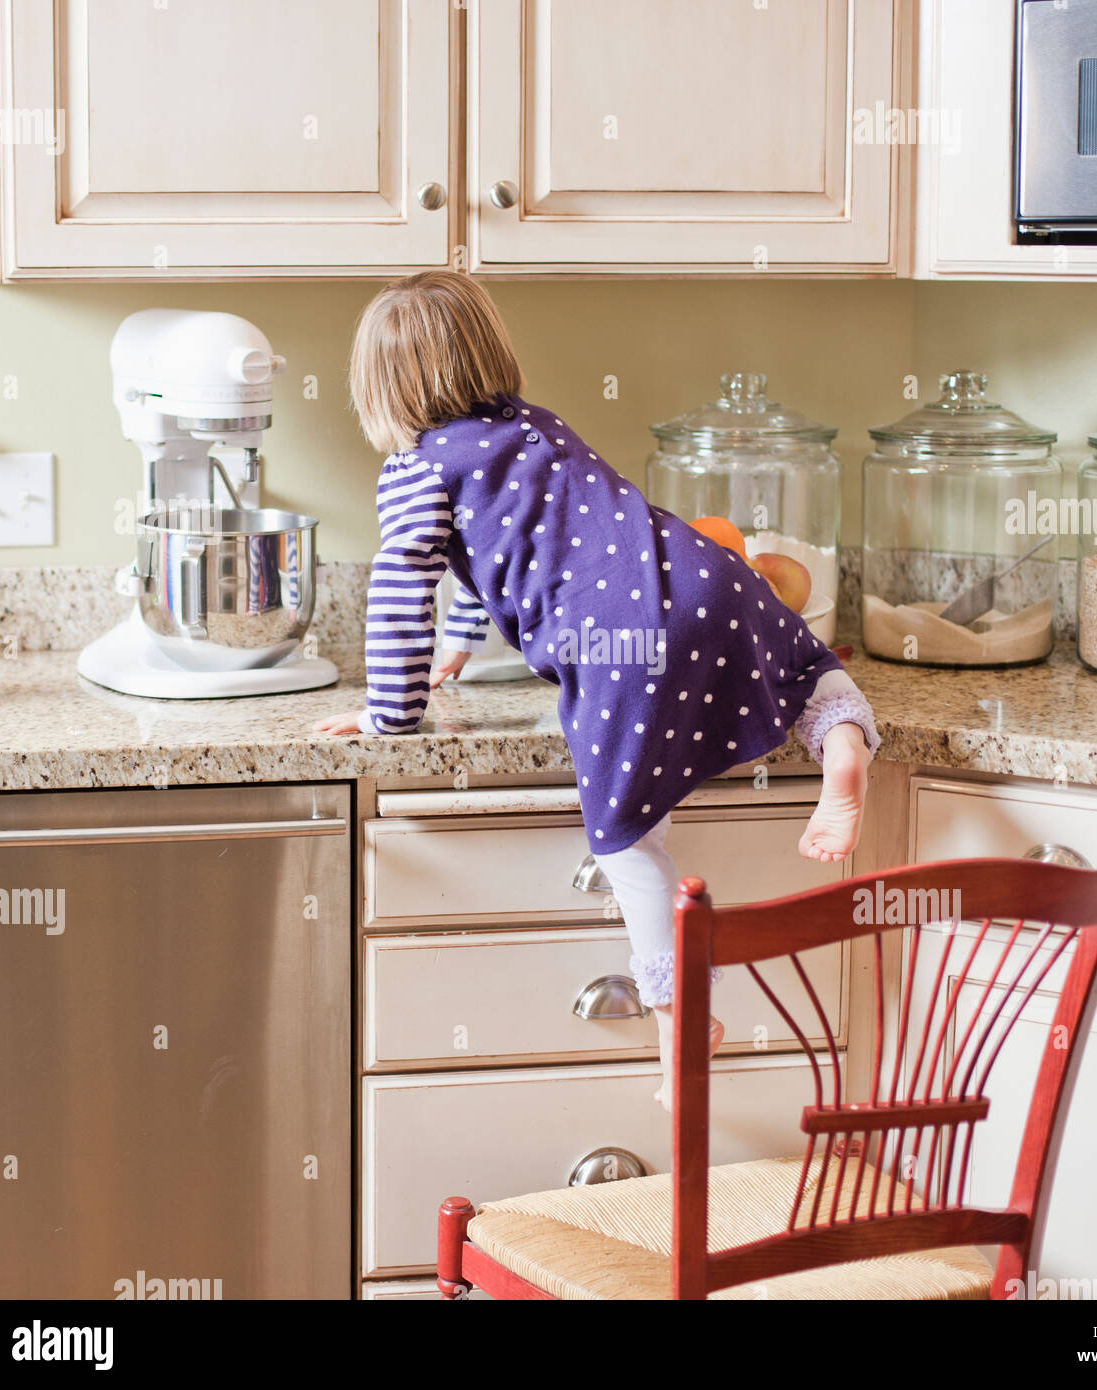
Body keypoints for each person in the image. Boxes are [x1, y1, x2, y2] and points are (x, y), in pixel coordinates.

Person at [316, 271, 878, 1106]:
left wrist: (390, 713)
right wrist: (462, 643)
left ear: (380, 389)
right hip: (707, 577)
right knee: (799, 661)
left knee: (626, 839)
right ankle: (841, 750)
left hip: (621, 641)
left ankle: (677, 1016)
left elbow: (406, 580)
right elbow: (499, 545)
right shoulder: (536, 428)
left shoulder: (413, 471)